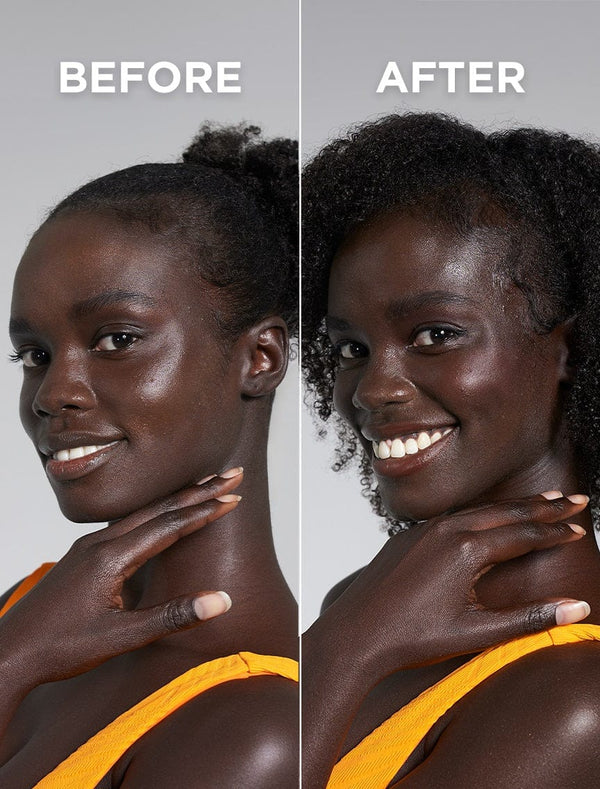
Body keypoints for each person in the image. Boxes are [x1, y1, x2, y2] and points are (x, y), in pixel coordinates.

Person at [302, 113, 600, 788]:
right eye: (352, 348)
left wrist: (337, 656)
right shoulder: (368, 607)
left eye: (435, 333)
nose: (373, 388)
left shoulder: (572, 698)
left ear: (571, 352)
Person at [0, 124, 298, 788]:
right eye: (35, 355)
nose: (53, 394)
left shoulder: (255, 731)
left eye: (116, 338)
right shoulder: (30, 607)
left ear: (261, 357)